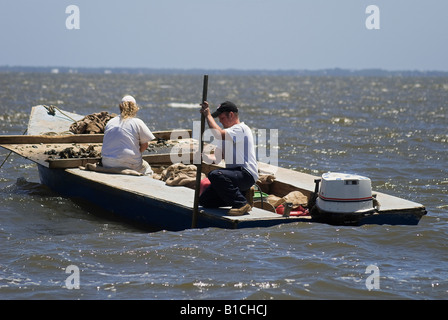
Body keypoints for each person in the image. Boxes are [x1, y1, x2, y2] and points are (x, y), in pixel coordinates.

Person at [199, 100, 258, 216]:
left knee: (215, 175)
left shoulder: (241, 129)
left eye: (222, 118)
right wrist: (202, 157)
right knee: (205, 201)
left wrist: (208, 115)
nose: (220, 122)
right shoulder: (226, 134)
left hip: (246, 174)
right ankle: (242, 195)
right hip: (234, 175)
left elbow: (218, 134)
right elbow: (217, 158)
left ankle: (241, 203)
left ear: (231, 115)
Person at [101, 95, 155, 175]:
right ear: (135, 108)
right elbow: (145, 146)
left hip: (107, 163)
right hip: (130, 165)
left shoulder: (110, 122)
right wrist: (135, 152)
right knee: (146, 167)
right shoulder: (137, 122)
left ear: (120, 107)